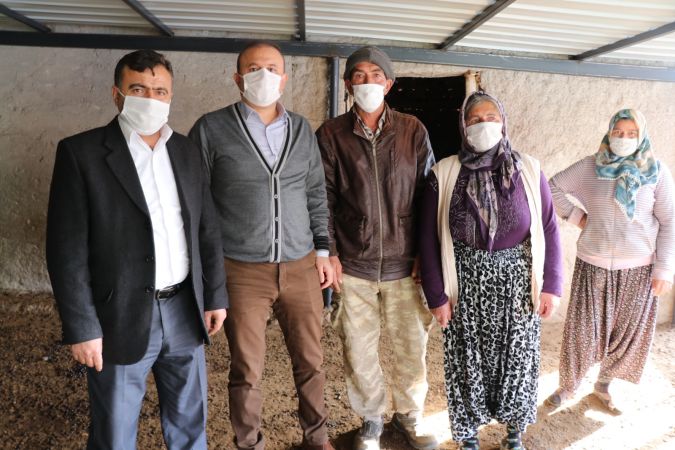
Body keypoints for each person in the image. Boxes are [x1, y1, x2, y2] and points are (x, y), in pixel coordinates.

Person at [46, 49, 228, 450]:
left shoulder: (186, 151)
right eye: (138, 89)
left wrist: (215, 295)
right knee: (114, 429)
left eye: (160, 91)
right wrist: (82, 327)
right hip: (119, 314)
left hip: (184, 308)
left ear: (171, 96)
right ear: (117, 94)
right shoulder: (82, 154)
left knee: (190, 422)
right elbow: (66, 251)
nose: (151, 98)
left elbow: (207, 229)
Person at [189, 41, 334, 450]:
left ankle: (317, 438)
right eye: (254, 69)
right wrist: (208, 271)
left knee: (311, 361)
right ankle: (249, 443)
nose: (263, 76)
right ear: (238, 79)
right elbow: (196, 200)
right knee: (247, 367)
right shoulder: (210, 129)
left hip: (301, 265)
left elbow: (315, 193)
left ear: (284, 79)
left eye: (272, 68)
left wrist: (323, 251)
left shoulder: (302, 129)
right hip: (241, 270)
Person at [418, 91, 563, 450]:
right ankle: (468, 438)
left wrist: (552, 285)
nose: (484, 124)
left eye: (491, 117)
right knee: (467, 364)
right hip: (464, 286)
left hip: (518, 286)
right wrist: (437, 296)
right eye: (475, 119)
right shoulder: (444, 173)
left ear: (503, 123)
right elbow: (427, 239)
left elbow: (549, 226)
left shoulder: (529, 169)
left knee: (518, 361)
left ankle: (514, 435)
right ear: (463, 126)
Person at [316, 46, 438, 450]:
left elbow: (429, 196)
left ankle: (409, 417)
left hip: (406, 266)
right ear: (348, 83)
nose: (367, 82)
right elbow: (322, 197)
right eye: (359, 75)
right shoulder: (331, 134)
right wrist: (330, 252)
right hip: (354, 265)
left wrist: (425, 254)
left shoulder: (412, 130)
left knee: (412, 348)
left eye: (375, 75)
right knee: (358, 350)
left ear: (389, 83)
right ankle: (370, 422)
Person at [546, 109, 674, 413]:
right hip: (593, 264)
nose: (624, 138)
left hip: (639, 269)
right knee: (582, 331)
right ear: (609, 132)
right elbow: (551, 188)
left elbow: (670, 221)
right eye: (618, 132)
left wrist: (665, 268)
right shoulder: (591, 166)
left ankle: (604, 385)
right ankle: (569, 385)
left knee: (626, 335)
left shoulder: (656, 171)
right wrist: (577, 217)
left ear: (641, 136)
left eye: (632, 133)